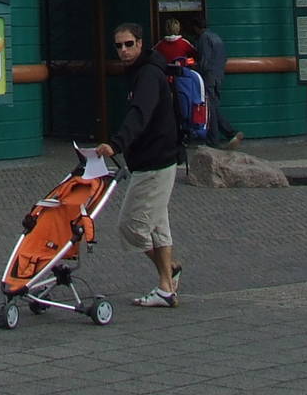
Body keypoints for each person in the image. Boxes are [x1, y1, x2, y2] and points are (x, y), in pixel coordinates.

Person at [96, 22, 185, 309]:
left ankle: (167, 274)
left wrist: (117, 143)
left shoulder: (147, 74)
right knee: (158, 226)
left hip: (156, 161)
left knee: (131, 226)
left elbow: (140, 113)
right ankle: (166, 286)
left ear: (141, 43)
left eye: (129, 44)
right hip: (151, 160)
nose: (124, 50)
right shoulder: (138, 72)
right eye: (119, 46)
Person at [195, 20, 243, 150]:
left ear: (197, 28)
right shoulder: (216, 37)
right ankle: (230, 133)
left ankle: (214, 139)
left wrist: (196, 68)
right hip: (218, 75)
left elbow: (204, 60)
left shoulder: (204, 38)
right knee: (214, 106)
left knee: (209, 108)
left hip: (208, 76)